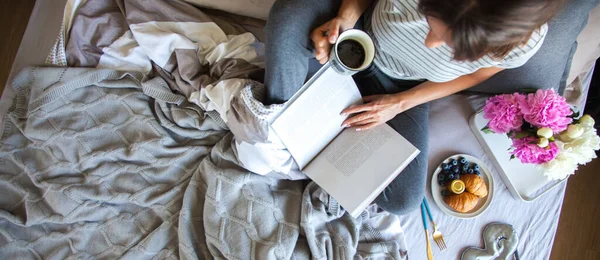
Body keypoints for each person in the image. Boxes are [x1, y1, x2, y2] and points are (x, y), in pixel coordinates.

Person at [264, 0, 565, 215]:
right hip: (359, 31)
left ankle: (293, 119)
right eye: (430, 23)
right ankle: (276, 123)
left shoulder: (521, 42)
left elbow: (478, 74)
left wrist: (400, 103)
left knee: (403, 200)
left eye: (450, 45)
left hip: (404, 89)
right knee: (289, 18)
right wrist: (346, 16)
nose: (431, 44)